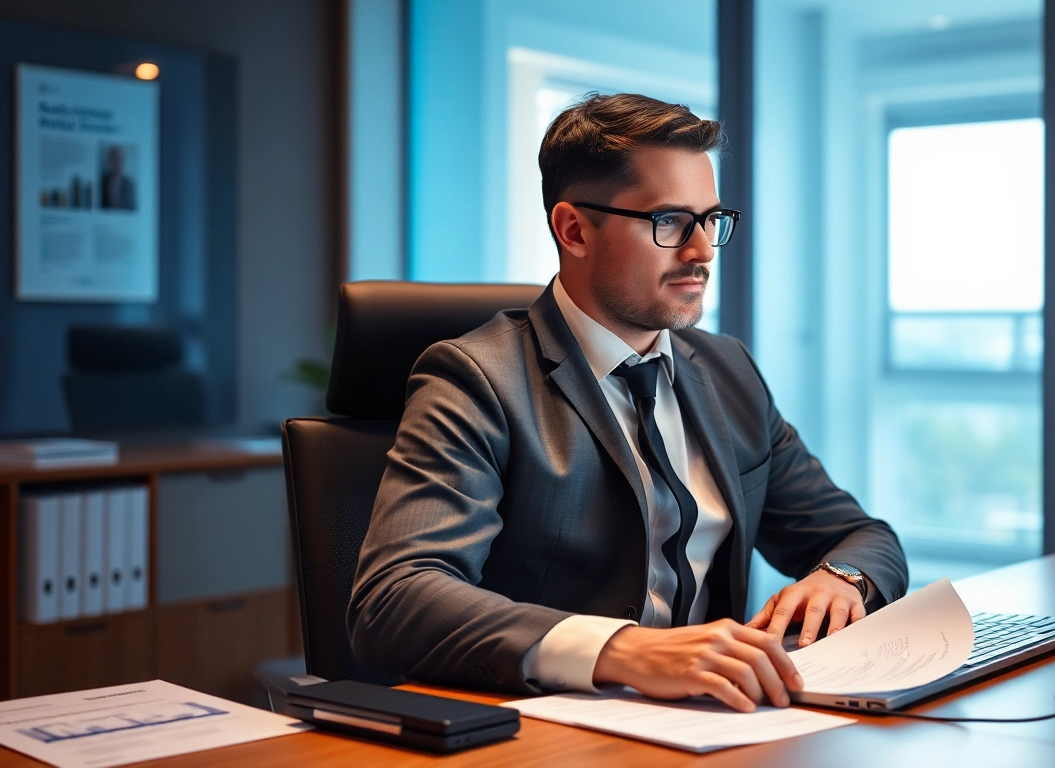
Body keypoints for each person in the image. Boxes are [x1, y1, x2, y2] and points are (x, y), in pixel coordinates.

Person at [349, 93, 908, 713]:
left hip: (724, 729)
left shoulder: (729, 372)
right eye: (669, 222)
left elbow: (860, 535)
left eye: (711, 220)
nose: (701, 251)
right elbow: (394, 598)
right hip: (548, 734)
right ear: (574, 230)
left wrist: (844, 577)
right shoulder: (478, 378)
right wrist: (623, 650)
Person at [99, 145, 136, 210]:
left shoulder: (129, 184)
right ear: (109, 161)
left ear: (123, 161)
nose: (117, 163)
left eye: (119, 159)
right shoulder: (102, 181)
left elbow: (131, 207)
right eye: (114, 160)